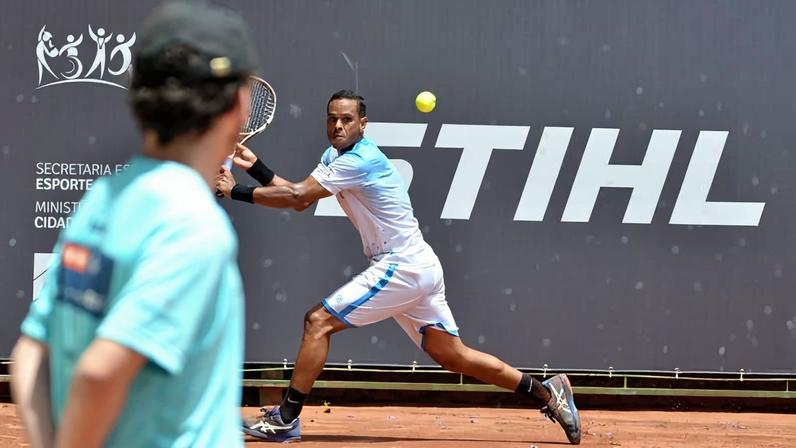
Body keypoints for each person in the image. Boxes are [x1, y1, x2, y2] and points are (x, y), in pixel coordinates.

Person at [216, 90, 582, 444]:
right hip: (417, 265)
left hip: (402, 265)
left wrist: (236, 191)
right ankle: (547, 391)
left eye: (347, 119)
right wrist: (258, 169)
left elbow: (296, 196)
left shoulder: (360, 160)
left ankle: (285, 419)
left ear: (364, 124)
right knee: (452, 355)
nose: (338, 126)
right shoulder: (334, 156)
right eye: (332, 119)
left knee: (317, 322)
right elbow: (301, 200)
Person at [10, 2, 257, 447]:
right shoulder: (195, 225)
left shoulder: (102, 198)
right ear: (238, 104)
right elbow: (100, 372)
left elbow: (31, 353)